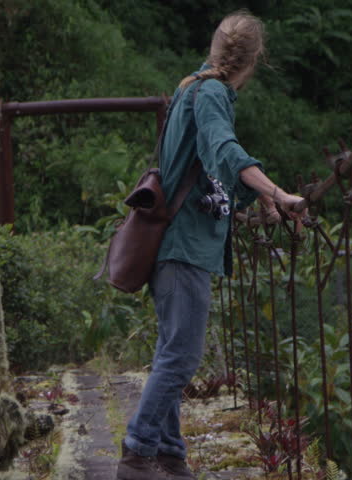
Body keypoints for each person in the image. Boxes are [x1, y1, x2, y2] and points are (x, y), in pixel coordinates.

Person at [116, 10, 307, 480]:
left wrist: (257, 199)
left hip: (171, 243)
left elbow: (203, 171)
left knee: (170, 350)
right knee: (181, 356)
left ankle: (169, 452)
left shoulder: (190, 88)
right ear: (252, 61)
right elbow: (224, 150)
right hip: (183, 247)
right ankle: (138, 451)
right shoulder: (213, 93)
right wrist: (277, 192)